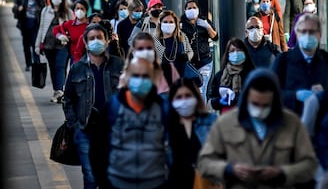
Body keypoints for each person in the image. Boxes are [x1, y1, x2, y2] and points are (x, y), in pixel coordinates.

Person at [198, 68, 318, 188]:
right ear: (246, 99)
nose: (260, 109)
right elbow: (205, 163)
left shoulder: (292, 124)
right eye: (255, 104)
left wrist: (282, 172)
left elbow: (309, 165)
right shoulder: (225, 123)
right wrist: (230, 170)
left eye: (265, 105)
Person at [63, 23, 123, 189]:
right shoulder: (77, 68)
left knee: (111, 176)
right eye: (92, 38)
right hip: (85, 130)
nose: (96, 41)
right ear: (85, 41)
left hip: (113, 130)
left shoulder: (119, 65)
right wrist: (74, 124)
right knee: (90, 176)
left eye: (99, 38)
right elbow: (68, 99)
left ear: (106, 41)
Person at [101, 57, 168, 189]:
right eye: (136, 76)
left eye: (145, 76)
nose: (141, 80)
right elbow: (99, 148)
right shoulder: (113, 107)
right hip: (119, 182)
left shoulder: (163, 109)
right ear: (127, 78)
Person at [271, 13, 328, 115]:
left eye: (311, 32)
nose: (307, 35)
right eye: (303, 31)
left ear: (319, 34)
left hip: (321, 121)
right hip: (291, 120)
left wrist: (324, 94)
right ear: (297, 33)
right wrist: (295, 96)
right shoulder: (283, 61)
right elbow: (271, 93)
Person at [167, 78, 218, 189]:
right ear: (172, 101)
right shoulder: (167, 126)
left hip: (204, 183)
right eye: (179, 97)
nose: (184, 101)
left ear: (196, 97)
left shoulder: (210, 122)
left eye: (188, 96)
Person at [34, 0, 74, 103]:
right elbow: (41, 28)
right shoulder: (45, 11)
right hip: (48, 45)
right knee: (53, 68)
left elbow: (72, 27)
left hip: (63, 44)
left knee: (60, 67)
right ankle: (57, 90)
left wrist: (67, 37)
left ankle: (60, 91)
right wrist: (38, 45)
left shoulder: (68, 13)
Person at [180, 0, 218, 101]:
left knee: (201, 90)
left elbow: (215, 37)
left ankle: (201, 112)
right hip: (189, 63)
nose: (192, 10)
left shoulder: (204, 21)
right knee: (189, 90)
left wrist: (207, 26)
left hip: (205, 61)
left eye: (194, 8)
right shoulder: (181, 24)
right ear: (185, 10)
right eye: (189, 8)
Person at [208, 38, 255, 113]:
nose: (236, 53)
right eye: (232, 50)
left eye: (239, 50)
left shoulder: (252, 74)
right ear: (228, 54)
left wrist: (237, 98)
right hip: (226, 118)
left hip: (247, 116)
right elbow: (212, 100)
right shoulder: (220, 76)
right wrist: (219, 101)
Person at [12, 0, 46, 71]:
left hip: (36, 27)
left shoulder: (40, 0)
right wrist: (18, 9)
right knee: (26, 47)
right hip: (25, 26)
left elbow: (44, 12)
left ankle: (36, 63)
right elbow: (15, 13)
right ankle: (28, 64)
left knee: (35, 46)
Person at [155, 10, 193, 84]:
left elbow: (190, 51)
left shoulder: (182, 37)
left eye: (171, 22)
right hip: (162, 79)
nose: (168, 24)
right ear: (160, 24)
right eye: (165, 22)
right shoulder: (155, 41)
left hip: (181, 76)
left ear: (176, 24)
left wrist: (187, 56)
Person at [52, 0, 89, 64]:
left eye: (82, 9)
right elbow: (55, 29)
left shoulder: (90, 25)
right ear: (74, 11)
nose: (79, 11)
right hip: (74, 57)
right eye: (77, 8)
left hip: (88, 57)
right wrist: (60, 36)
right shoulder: (70, 24)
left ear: (86, 11)